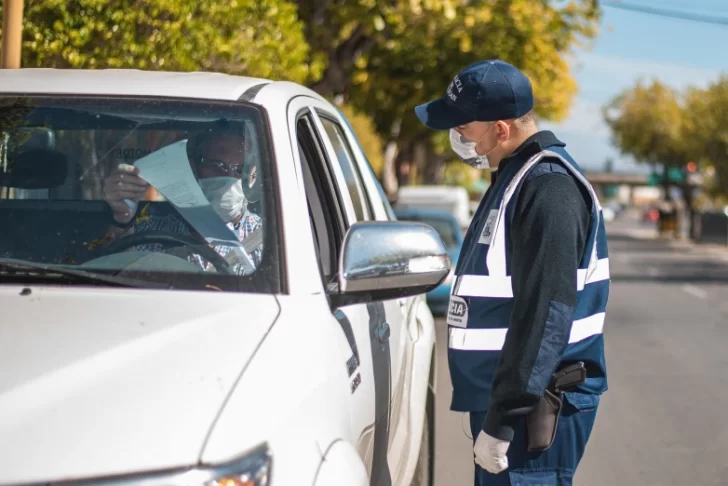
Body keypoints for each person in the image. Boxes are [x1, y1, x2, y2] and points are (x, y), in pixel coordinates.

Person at [415, 60, 609, 485]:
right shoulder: (515, 178)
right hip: (515, 403)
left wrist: (503, 421)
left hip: (535, 409)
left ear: (501, 129)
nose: (458, 135)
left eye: (463, 125)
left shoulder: (548, 188)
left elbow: (546, 313)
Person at [101, 124, 263, 273]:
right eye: (215, 164)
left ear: (252, 176)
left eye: (240, 169)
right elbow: (111, 271)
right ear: (193, 168)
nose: (228, 176)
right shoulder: (155, 228)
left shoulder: (263, 236)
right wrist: (122, 219)